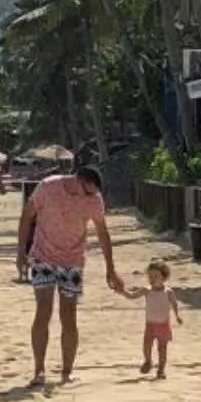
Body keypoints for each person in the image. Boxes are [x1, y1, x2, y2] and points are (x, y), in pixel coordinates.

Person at [14, 164, 122, 386]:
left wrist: (110, 267)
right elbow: (27, 216)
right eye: (88, 191)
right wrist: (20, 253)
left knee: (69, 314)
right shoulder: (48, 187)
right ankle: (39, 370)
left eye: (94, 193)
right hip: (42, 256)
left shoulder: (94, 200)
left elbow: (103, 232)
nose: (90, 196)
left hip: (72, 260)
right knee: (43, 310)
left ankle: (67, 371)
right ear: (78, 179)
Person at [122, 260, 182, 379]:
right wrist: (121, 291)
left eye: (156, 276)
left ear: (164, 277)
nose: (152, 279)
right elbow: (132, 296)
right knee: (147, 345)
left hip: (163, 324)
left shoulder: (168, 292)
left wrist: (177, 316)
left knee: (162, 348)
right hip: (150, 324)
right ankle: (148, 361)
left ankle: (161, 370)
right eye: (150, 276)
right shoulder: (147, 290)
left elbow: (174, 303)